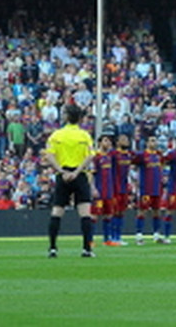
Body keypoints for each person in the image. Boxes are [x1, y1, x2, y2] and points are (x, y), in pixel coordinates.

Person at [45, 105, 96, 258]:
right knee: (85, 213)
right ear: (80, 118)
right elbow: (90, 156)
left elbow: (49, 155)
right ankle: (87, 249)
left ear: (66, 117)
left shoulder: (57, 135)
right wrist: (76, 172)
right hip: (79, 176)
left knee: (57, 211)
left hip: (63, 175)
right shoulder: (84, 135)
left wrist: (62, 171)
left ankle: (53, 248)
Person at [133, 135, 165, 244]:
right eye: (151, 141)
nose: (154, 143)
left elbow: (162, 167)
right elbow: (133, 164)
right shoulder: (142, 155)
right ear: (147, 143)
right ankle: (139, 235)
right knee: (142, 210)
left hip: (157, 187)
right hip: (145, 188)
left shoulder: (158, 155)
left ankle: (156, 234)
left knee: (157, 211)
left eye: (155, 141)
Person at [92, 135, 117, 246]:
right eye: (106, 140)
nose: (108, 143)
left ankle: (107, 239)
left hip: (109, 190)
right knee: (94, 215)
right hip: (99, 190)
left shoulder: (110, 157)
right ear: (99, 143)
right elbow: (91, 174)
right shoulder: (95, 157)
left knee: (108, 215)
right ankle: (90, 240)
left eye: (109, 140)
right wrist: (93, 188)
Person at [111, 134, 135, 246]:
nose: (126, 141)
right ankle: (112, 237)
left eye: (127, 139)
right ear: (117, 142)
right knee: (114, 212)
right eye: (123, 139)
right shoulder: (114, 154)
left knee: (121, 212)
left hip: (124, 187)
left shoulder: (129, 155)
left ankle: (118, 236)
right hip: (115, 187)